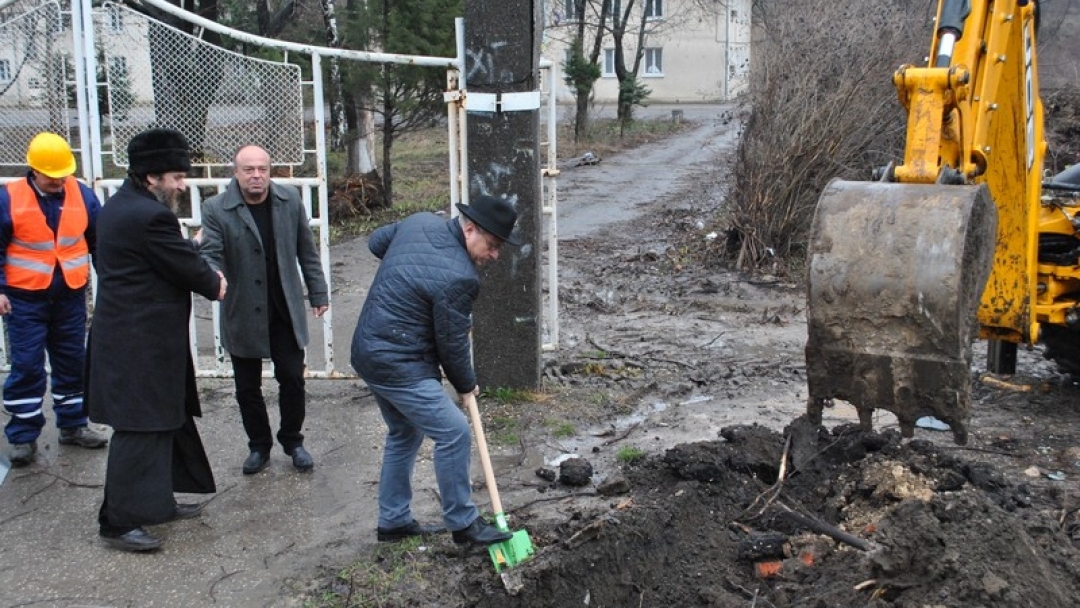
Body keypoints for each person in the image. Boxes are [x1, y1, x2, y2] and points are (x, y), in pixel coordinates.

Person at [350, 194, 520, 545]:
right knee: (454, 431)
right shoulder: (459, 277)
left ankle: (393, 521)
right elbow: (451, 343)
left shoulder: (419, 221)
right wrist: (466, 384)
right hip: (398, 361)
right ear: (470, 229)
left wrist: (408, 265)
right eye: (492, 245)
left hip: (368, 350)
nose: (495, 255)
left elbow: (377, 242)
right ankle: (463, 525)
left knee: (404, 432)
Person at [87, 128, 227, 552]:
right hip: (139, 346)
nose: (182, 184)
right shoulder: (152, 217)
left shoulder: (119, 207)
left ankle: (156, 502)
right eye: (176, 176)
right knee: (139, 429)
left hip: (133, 339)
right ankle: (117, 522)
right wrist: (214, 279)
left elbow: (152, 256)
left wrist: (186, 249)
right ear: (152, 177)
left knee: (163, 420)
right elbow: (195, 276)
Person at [199, 145, 328, 475]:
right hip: (241, 309)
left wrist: (318, 292)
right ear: (236, 173)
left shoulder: (290, 202)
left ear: (270, 171)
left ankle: (293, 441)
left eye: (262, 169)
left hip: (283, 306)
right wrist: (213, 276)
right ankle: (259, 446)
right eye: (248, 170)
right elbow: (211, 252)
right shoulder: (216, 208)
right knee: (247, 387)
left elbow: (307, 251)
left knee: (292, 379)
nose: (256, 176)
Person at [1, 132, 107, 467]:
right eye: (52, 176)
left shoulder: (82, 195)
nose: (59, 181)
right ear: (33, 170)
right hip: (24, 298)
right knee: (28, 365)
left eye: (63, 174)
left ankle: (73, 424)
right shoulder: (9, 198)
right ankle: (23, 435)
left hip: (69, 296)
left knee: (73, 362)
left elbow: (99, 241)